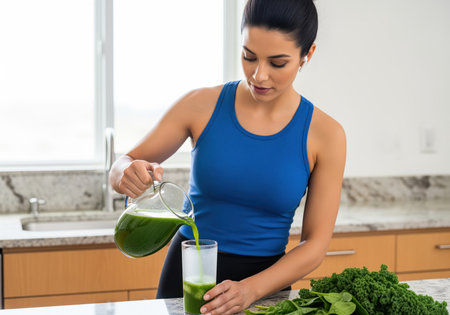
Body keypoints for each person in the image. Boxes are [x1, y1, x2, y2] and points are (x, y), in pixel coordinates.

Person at [109, 0, 346, 313]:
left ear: (307, 55)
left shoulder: (326, 135)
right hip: (188, 274)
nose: (259, 76)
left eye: (277, 63)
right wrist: (125, 171)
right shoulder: (200, 105)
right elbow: (122, 164)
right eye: (249, 57)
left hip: (265, 285)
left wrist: (250, 290)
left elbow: (315, 245)